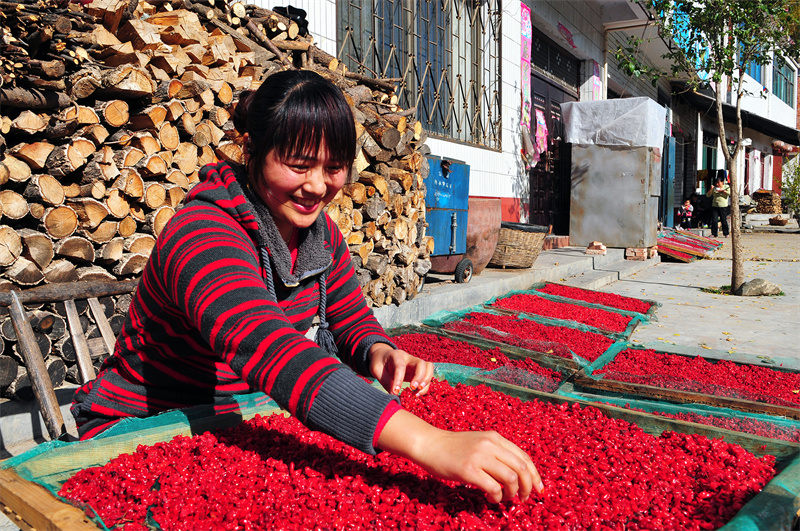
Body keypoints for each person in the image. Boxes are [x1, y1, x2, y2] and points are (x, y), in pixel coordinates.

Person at [71, 70, 542, 504]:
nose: (318, 186)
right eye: (298, 164)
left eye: (334, 168)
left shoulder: (319, 236)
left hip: (246, 417)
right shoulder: (202, 233)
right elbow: (270, 348)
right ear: (251, 149)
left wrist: (380, 351)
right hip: (140, 430)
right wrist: (428, 442)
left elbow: (353, 321)